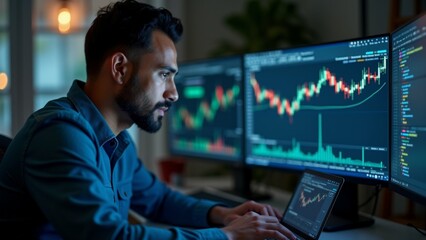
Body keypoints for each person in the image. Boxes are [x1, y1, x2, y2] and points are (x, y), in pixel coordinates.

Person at [0, 1, 296, 239]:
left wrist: (222, 214)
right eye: (164, 74)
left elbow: (158, 200)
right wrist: (228, 236)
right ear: (120, 69)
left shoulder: (118, 143)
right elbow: (107, 236)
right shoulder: (59, 133)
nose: (174, 94)